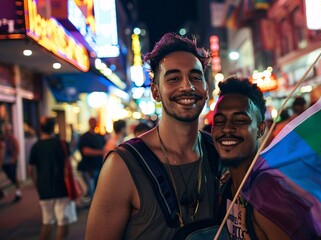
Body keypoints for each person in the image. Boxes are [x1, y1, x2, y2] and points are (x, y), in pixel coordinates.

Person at [86, 33, 221, 239]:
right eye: (173, 78)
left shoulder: (218, 151)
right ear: (156, 92)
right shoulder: (122, 166)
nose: (187, 86)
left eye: (195, 77)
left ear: (205, 88)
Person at [212, 77, 316, 239]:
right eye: (219, 121)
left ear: (260, 129)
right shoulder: (226, 188)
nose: (226, 128)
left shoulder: (269, 198)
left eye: (239, 120)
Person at [28, 117, 77, 240]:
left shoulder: (36, 146)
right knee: (62, 221)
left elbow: (30, 170)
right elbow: (68, 165)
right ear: (53, 128)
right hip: (61, 186)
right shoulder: (61, 144)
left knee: (47, 220)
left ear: (40, 129)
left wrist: (37, 184)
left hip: (43, 187)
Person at [78, 117, 105, 198]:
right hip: (89, 167)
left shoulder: (99, 136)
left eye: (95, 122)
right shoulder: (85, 136)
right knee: (92, 191)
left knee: (97, 189)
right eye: (93, 122)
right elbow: (86, 151)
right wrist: (101, 152)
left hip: (98, 166)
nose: (94, 124)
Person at [0, 123, 21, 203]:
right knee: (7, 177)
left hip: (11, 161)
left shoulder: (13, 139)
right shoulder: (2, 139)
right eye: (5, 130)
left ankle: (18, 192)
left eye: (8, 130)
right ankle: (2, 192)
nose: (7, 132)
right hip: (4, 162)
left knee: (13, 177)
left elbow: (17, 149)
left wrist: (14, 159)